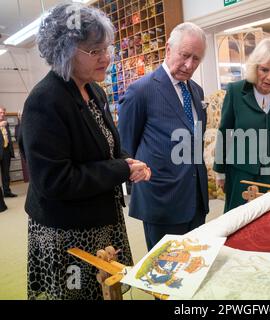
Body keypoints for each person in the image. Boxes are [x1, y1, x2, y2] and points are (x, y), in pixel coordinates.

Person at [19, 3, 150, 300]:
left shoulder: (94, 90)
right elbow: (54, 180)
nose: (106, 58)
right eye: (95, 51)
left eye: (107, 48)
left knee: (105, 289)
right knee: (80, 293)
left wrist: (128, 160)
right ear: (65, 50)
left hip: (100, 218)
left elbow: (105, 146)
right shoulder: (45, 101)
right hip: (67, 230)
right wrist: (121, 170)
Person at [119, 22, 209, 251]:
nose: (189, 65)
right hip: (161, 199)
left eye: (196, 59)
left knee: (194, 265)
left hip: (195, 199)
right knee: (165, 272)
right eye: (185, 55)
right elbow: (125, 148)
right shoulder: (141, 91)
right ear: (168, 49)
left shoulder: (196, 91)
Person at [214, 39, 270, 212]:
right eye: (264, 69)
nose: (269, 77)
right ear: (255, 68)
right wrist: (220, 171)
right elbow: (225, 132)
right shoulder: (236, 90)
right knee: (239, 222)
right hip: (241, 173)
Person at [0, 107, 17, 197]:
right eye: (0, 112)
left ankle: (7, 192)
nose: (2, 114)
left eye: (3, 113)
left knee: (6, 173)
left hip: (6, 151)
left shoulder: (6, 124)